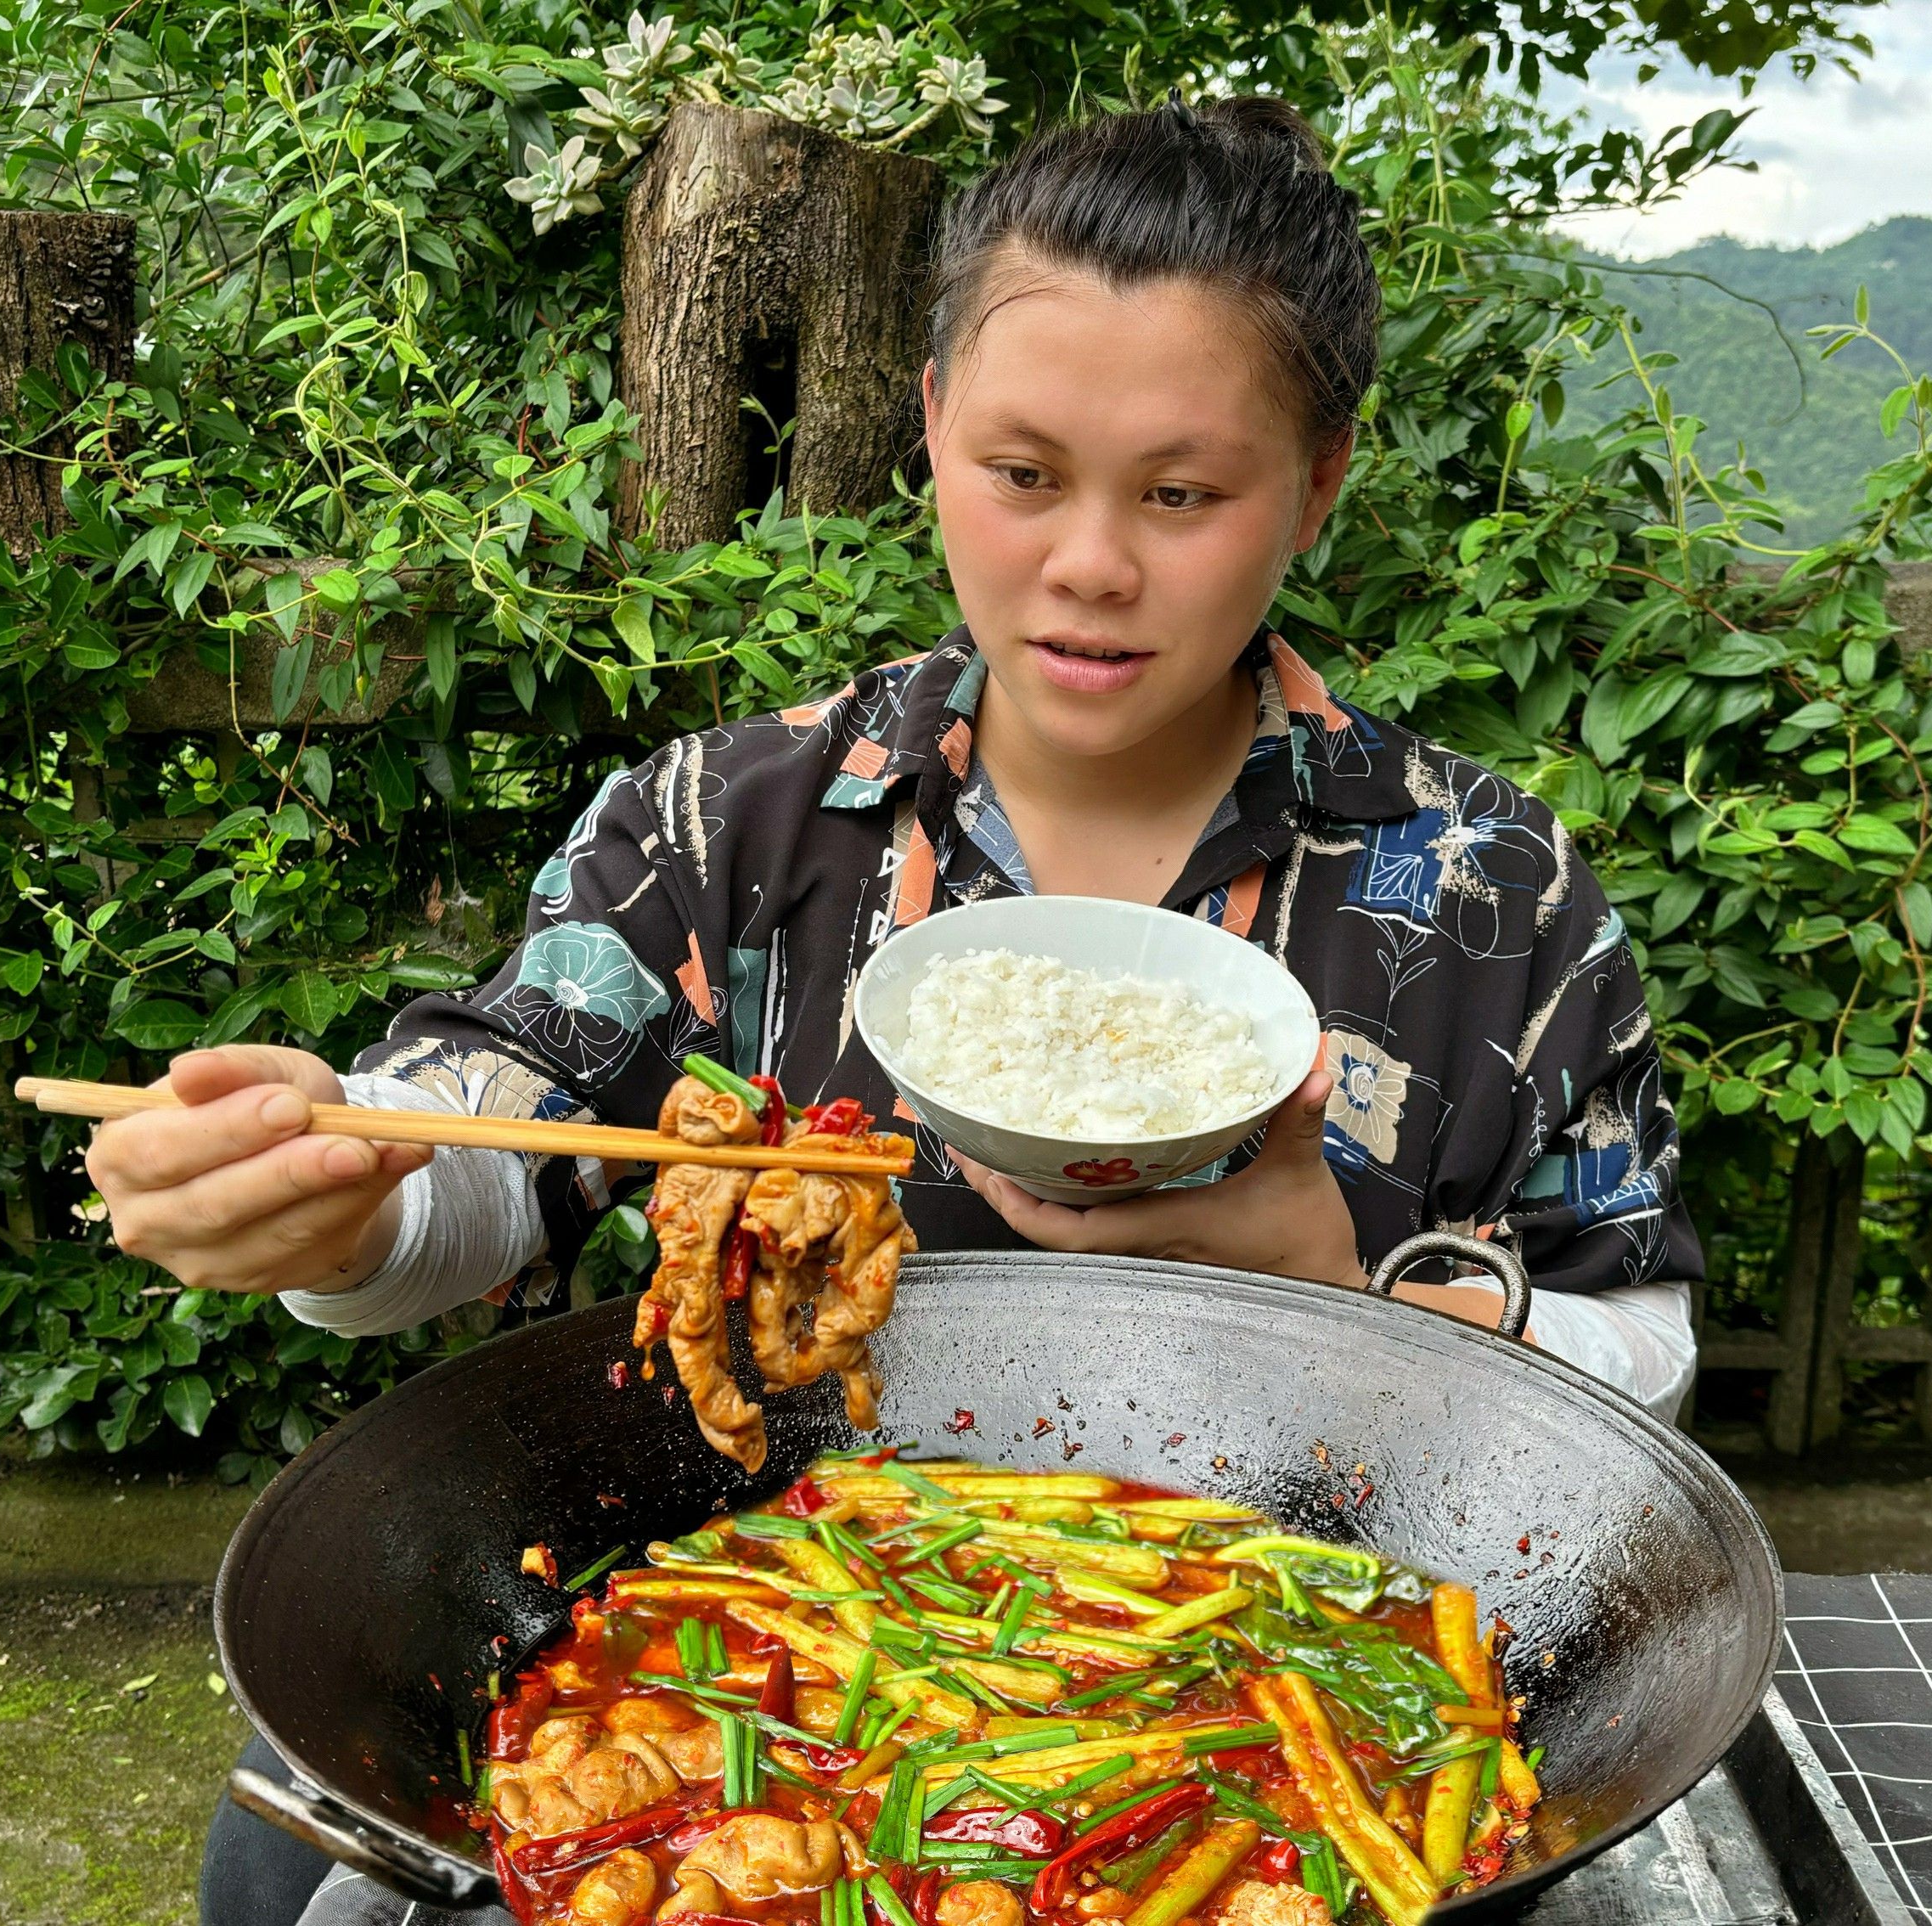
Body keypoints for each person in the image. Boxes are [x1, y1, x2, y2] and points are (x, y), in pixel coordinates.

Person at [126, 97, 1702, 1926]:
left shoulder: (1494, 889)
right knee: (267, 1857)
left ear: (1321, 482)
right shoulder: (733, 823)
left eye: (1183, 494)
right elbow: (498, 1121)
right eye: (1024, 472)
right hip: (778, 1641)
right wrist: (342, 1186)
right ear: (934, 426)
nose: (1091, 564)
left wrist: (1335, 1290)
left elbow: (1640, 1355)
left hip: (1285, 1670)